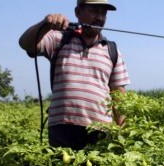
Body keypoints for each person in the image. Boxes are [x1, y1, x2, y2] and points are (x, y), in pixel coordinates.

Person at [19, 0, 130, 150]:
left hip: (100, 131)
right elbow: (26, 43)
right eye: (94, 11)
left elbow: (119, 96)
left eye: (103, 13)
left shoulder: (112, 50)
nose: (99, 17)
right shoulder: (59, 38)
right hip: (63, 128)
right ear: (78, 12)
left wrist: (124, 135)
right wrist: (45, 24)